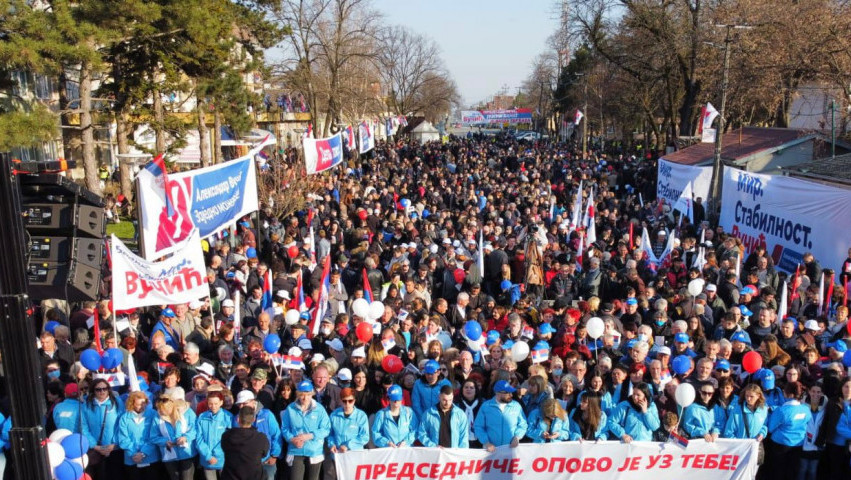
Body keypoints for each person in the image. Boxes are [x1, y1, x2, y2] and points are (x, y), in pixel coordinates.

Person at [280, 380, 331, 480]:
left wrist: (310, 436)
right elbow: (284, 428)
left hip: (314, 451)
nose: (305, 398)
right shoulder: (290, 409)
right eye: (302, 395)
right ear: (298, 394)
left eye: (308, 394)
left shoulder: (319, 409)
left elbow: (326, 429)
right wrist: (292, 439)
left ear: (312, 394)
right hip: (296, 450)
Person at [759, 381, 811, 480]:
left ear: (788, 393)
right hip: (798, 444)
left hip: (780, 445)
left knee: (779, 472)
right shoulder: (806, 409)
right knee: (792, 471)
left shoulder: (782, 411)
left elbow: (770, 428)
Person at [81, 378, 123, 480]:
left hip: (114, 450)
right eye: (98, 389)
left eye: (105, 388)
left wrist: (114, 444)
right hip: (96, 450)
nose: (102, 391)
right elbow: (83, 426)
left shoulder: (117, 402)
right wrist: (94, 446)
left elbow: (122, 424)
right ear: (93, 391)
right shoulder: (86, 404)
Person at [150, 394, 197, 480]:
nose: (162, 412)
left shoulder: (187, 412)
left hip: (186, 452)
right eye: (160, 410)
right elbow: (153, 436)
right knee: (174, 477)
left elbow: (195, 429)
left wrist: (186, 437)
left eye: (165, 410)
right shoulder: (157, 417)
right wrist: (164, 441)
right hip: (169, 454)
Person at [473, 380, 527, 452]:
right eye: (507, 393)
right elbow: (478, 426)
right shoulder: (486, 406)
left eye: (511, 392)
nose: (511, 395)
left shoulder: (516, 405)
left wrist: (517, 437)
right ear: (497, 393)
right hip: (491, 450)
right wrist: (486, 442)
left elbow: (523, 424)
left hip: (511, 449)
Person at [117, 391, 160, 479]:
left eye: (144, 403)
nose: (142, 406)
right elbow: (123, 439)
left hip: (151, 457)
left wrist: (143, 453)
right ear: (132, 403)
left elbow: (155, 436)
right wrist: (134, 453)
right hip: (132, 459)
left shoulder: (153, 414)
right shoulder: (125, 418)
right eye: (139, 404)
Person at [221, 406, 270, 480]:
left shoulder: (226, 436)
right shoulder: (261, 438)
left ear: (238, 419)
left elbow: (224, 449)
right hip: (254, 476)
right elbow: (264, 454)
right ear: (253, 419)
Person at [196, 390, 233, 480]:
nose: (213, 406)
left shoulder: (228, 417)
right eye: (210, 404)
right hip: (207, 458)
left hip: (223, 458)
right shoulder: (202, 417)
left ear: (221, 402)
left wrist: (217, 454)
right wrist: (208, 455)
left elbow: (229, 438)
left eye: (216, 403)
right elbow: (198, 438)